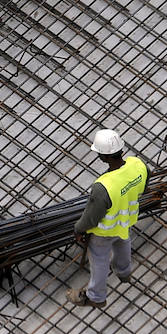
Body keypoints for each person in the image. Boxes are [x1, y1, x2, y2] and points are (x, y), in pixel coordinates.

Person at [67, 128, 148, 307]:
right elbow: (144, 187)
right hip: (127, 221)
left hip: (104, 232)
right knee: (123, 243)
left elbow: (91, 217)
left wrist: (78, 228)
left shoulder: (103, 186)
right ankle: (124, 272)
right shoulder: (138, 165)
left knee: (99, 261)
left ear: (103, 156)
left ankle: (96, 297)